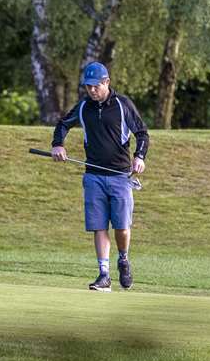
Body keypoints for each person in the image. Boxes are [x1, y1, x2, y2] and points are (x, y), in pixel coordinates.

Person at [50, 61, 149, 290]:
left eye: (96, 86)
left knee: (122, 227)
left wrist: (140, 157)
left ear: (107, 82)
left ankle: (123, 259)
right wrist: (58, 145)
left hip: (120, 176)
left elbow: (142, 134)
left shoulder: (123, 105)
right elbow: (63, 125)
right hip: (93, 175)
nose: (92, 90)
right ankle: (104, 275)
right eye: (88, 87)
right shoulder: (85, 106)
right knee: (99, 226)